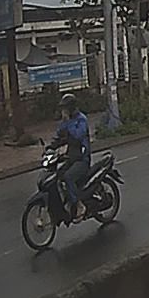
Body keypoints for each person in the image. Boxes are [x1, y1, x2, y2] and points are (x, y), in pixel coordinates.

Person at [51, 93, 91, 222]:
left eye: (65, 108)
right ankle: (67, 201)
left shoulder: (81, 120)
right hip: (71, 157)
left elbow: (78, 135)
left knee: (68, 177)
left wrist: (68, 122)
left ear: (71, 107)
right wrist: (51, 146)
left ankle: (79, 205)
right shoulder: (67, 120)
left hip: (82, 159)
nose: (63, 111)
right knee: (57, 176)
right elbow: (60, 134)